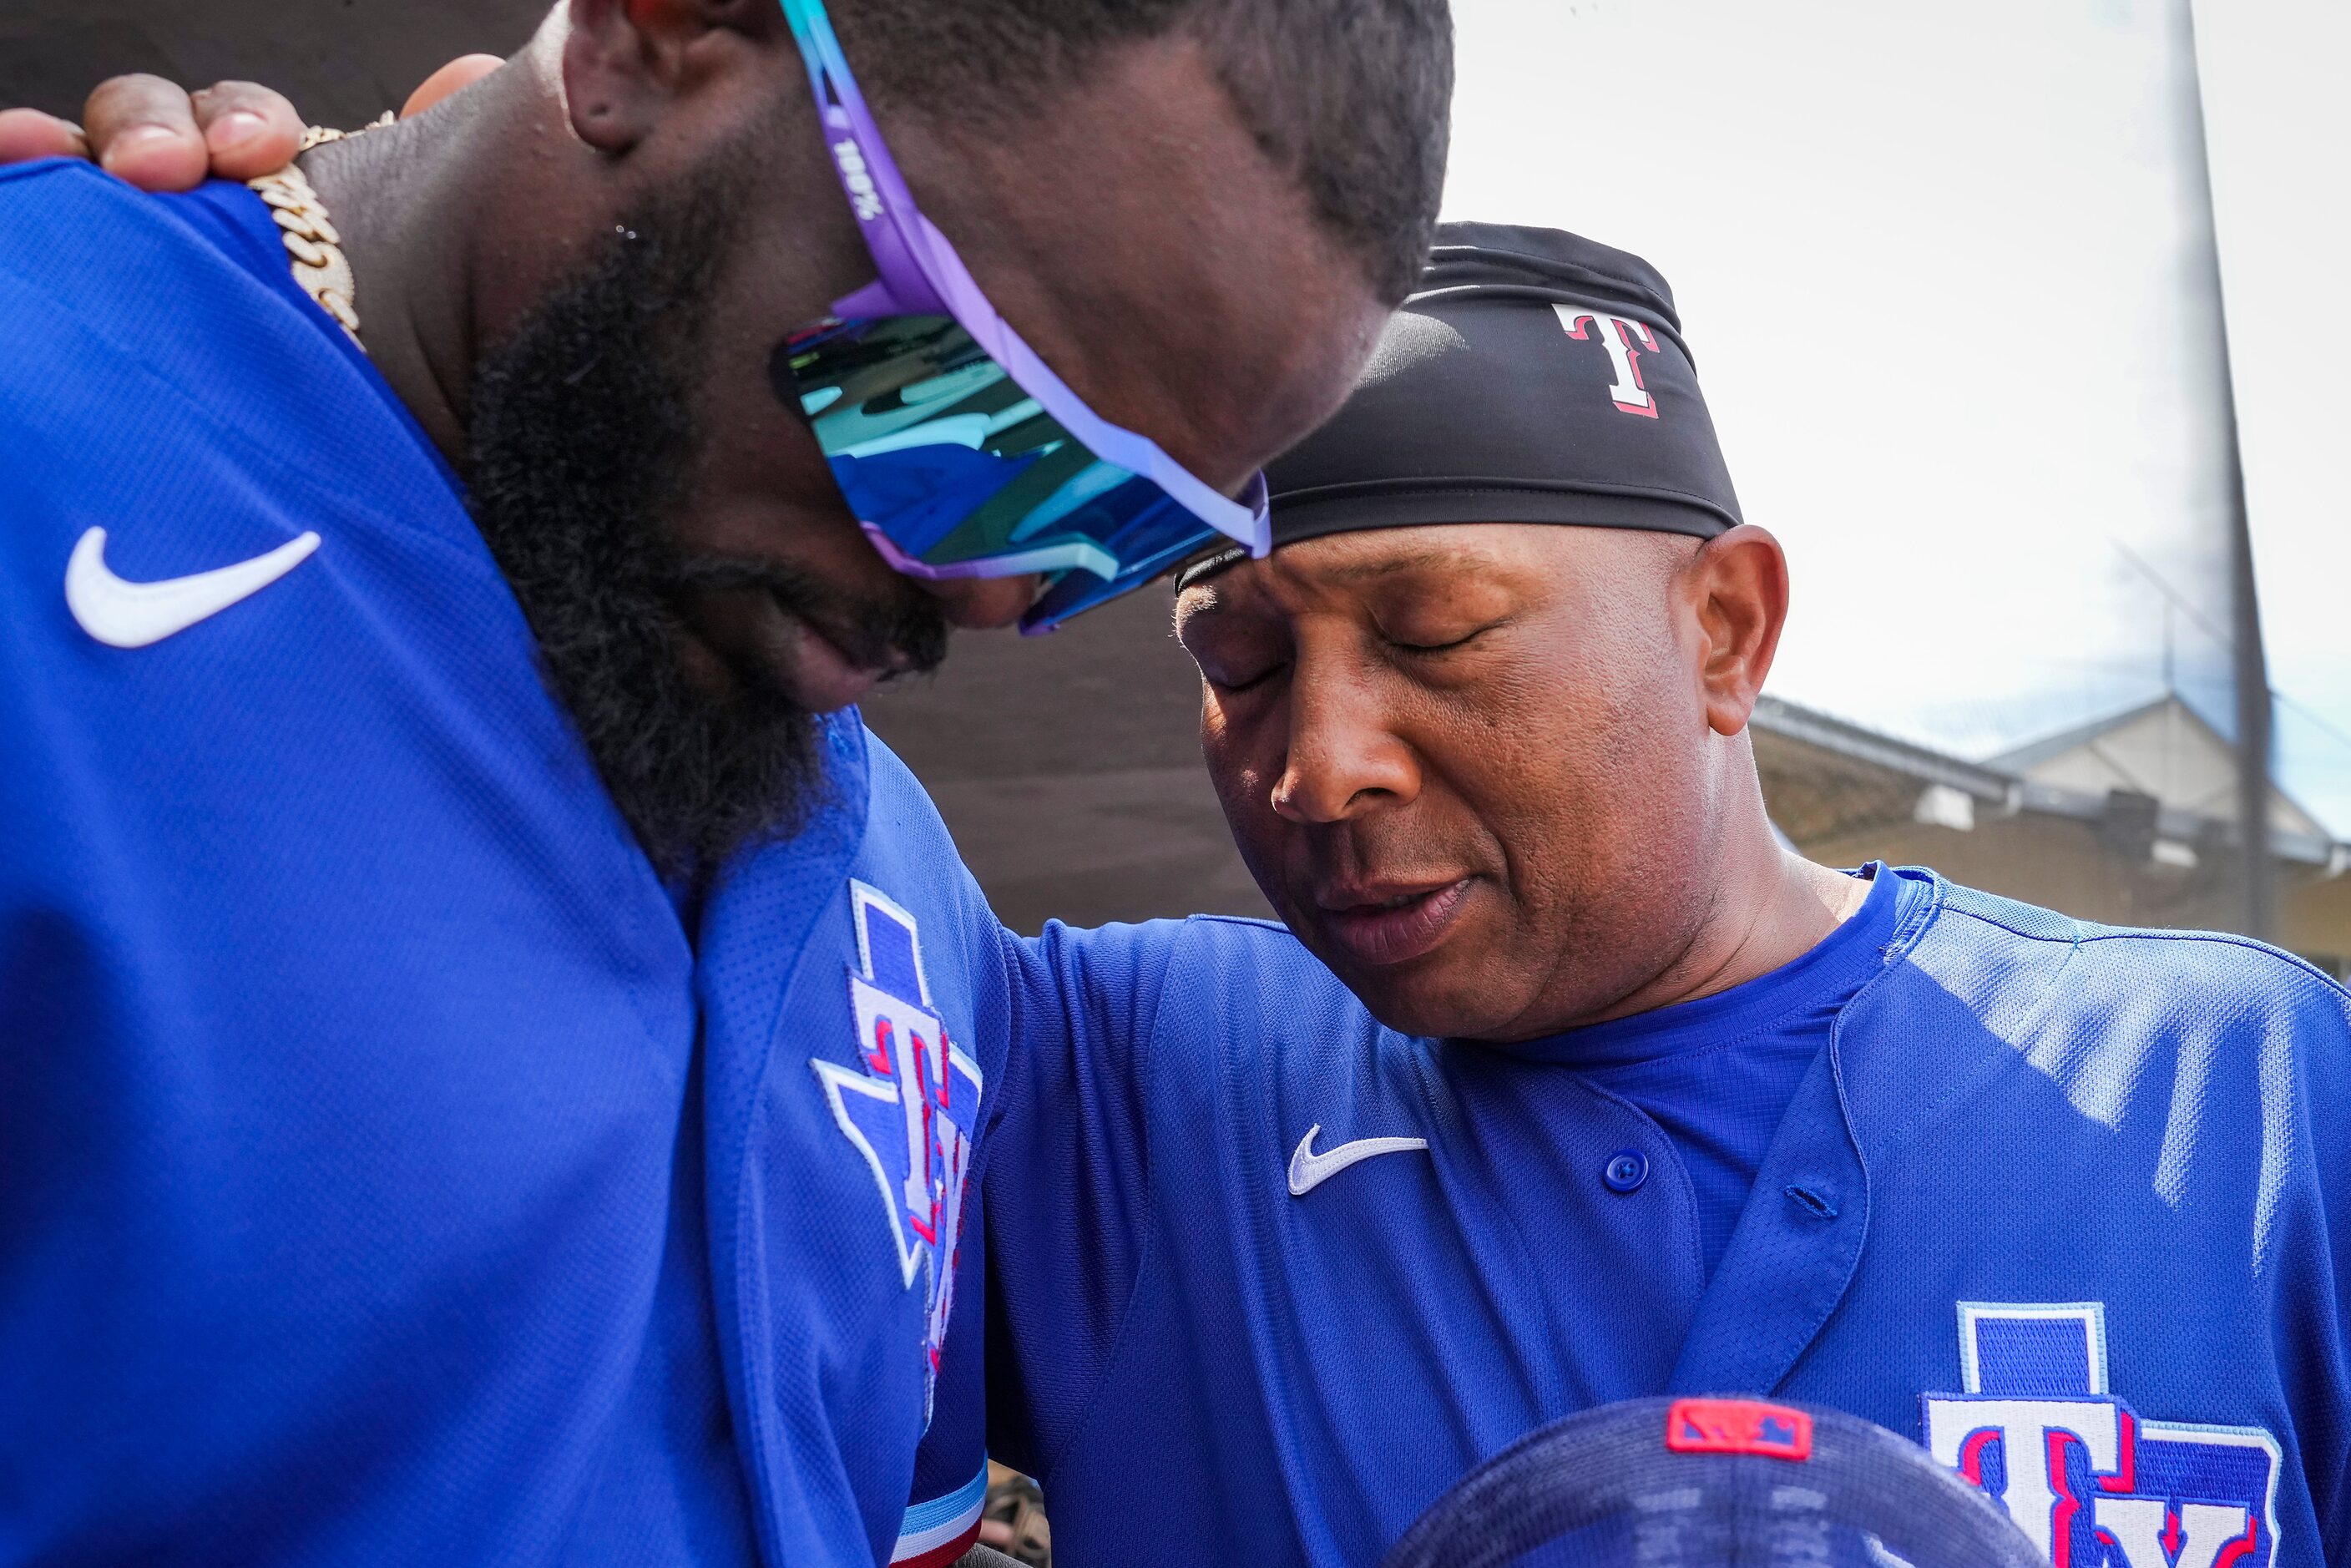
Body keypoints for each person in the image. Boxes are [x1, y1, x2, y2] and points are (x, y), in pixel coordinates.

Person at [38, 99, 2351, 1568]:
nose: (1317, 760)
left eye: (1438, 635)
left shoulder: (2250, 1099)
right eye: (1239, 659)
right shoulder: (1093, 1074)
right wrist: (298, 264)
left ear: (1729, 624)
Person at [0, 5, 1447, 1566]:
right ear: (655, 38)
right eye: (958, 410)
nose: (986, 595)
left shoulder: (892, 870)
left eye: (1120, 526)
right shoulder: (53, 492)